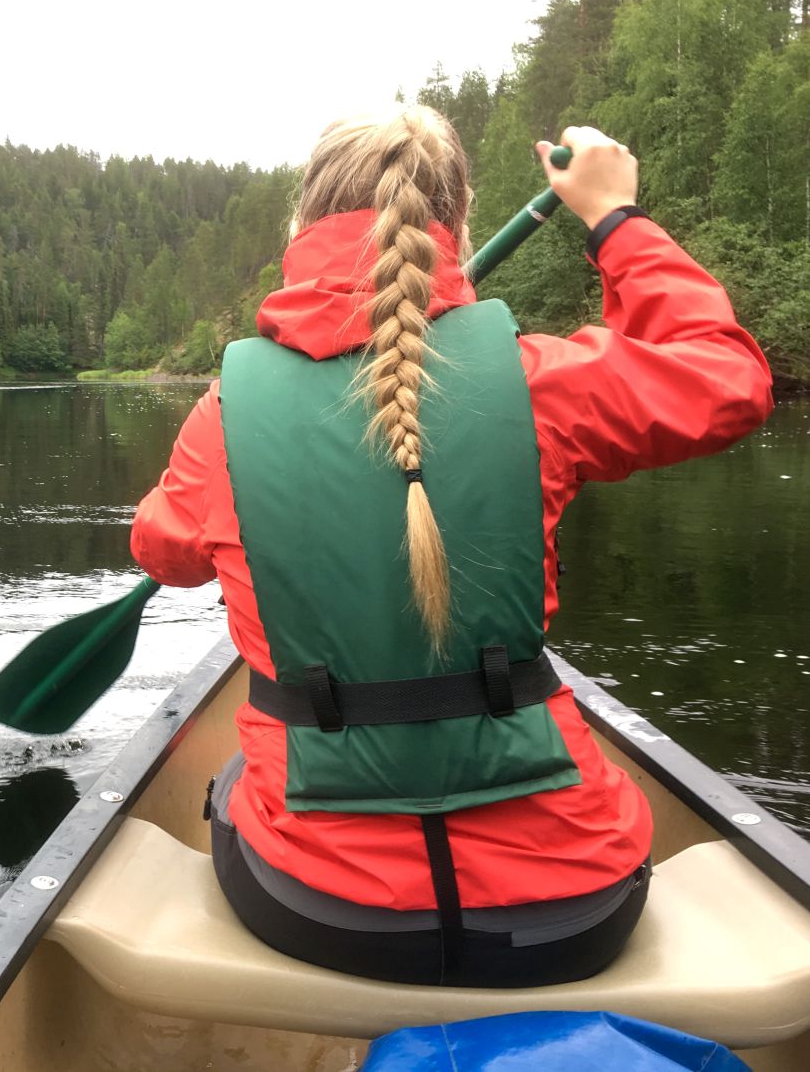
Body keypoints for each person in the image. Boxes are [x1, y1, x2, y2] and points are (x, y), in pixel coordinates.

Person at [129, 106, 775, 988]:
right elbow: (728, 378)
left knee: (241, 762)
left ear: (303, 225)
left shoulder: (223, 417)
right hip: (568, 910)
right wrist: (614, 219)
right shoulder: (539, 381)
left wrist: (197, 492)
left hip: (320, 908)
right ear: (458, 224)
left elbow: (161, 551)